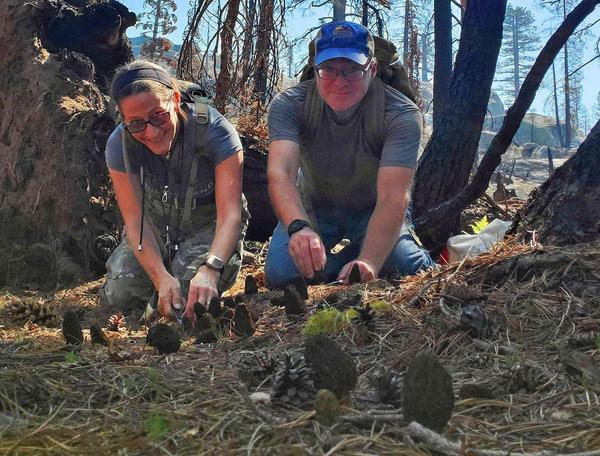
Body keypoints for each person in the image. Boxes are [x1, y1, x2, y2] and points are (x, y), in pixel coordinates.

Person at [265, 21, 435, 288]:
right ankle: (345, 267)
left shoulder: (401, 114)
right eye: (328, 69)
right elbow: (281, 173)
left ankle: (371, 260)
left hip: (374, 208)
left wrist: (369, 260)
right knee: (281, 274)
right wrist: (299, 227)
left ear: (373, 69)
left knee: (408, 268)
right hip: (315, 206)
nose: (340, 81)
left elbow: (393, 197)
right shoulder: (290, 105)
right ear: (315, 69)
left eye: (353, 69)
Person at [101, 60, 247, 324]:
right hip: (157, 226)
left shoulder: (217, 132)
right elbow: (135, 221)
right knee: (121, 293)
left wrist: (211, 268)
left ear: (176, 99)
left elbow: (230, 216)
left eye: (158, 115)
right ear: (123, 121)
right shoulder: (119, 146)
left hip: (210, 226)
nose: (151, 131)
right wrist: (159, 277)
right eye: (135, 123)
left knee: (189, 293)